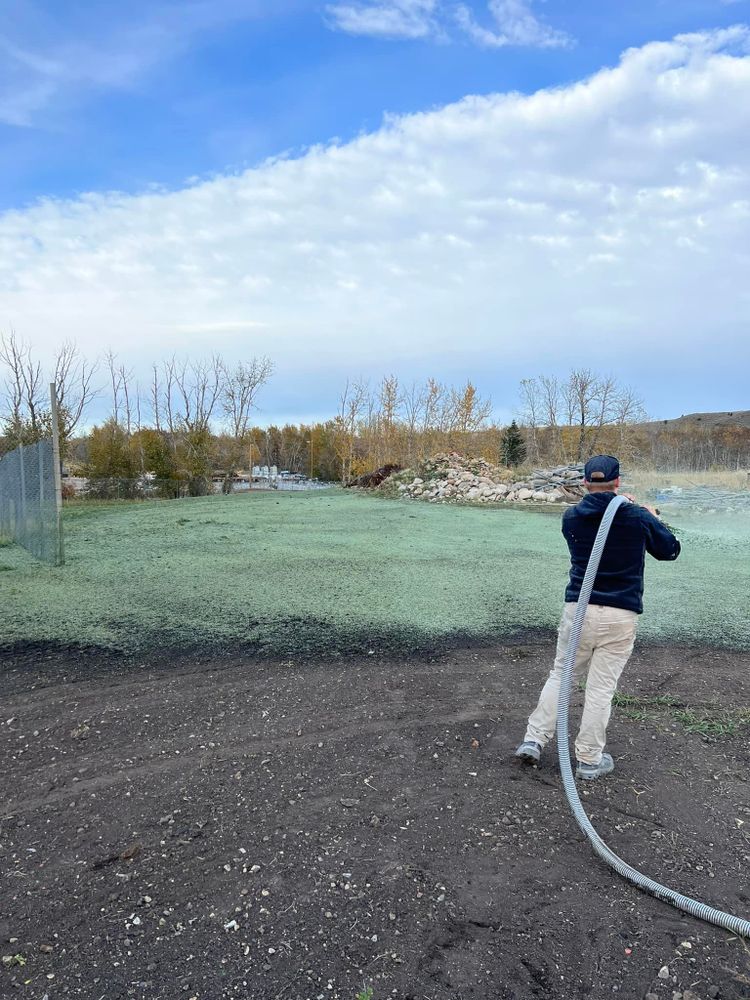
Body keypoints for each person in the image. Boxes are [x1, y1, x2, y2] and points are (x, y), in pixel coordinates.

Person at [514, 454, 681, 780]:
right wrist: (649, 517)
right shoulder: (636, 517)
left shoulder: (571, 517)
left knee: (561, 675)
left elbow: (601, 521)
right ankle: (589, 760)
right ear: (618, 481)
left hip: (578, 610)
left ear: (586, 482)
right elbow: (669, 550)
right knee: (600, 689)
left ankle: (533, 740)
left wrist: (627, 509)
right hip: (619, 615)